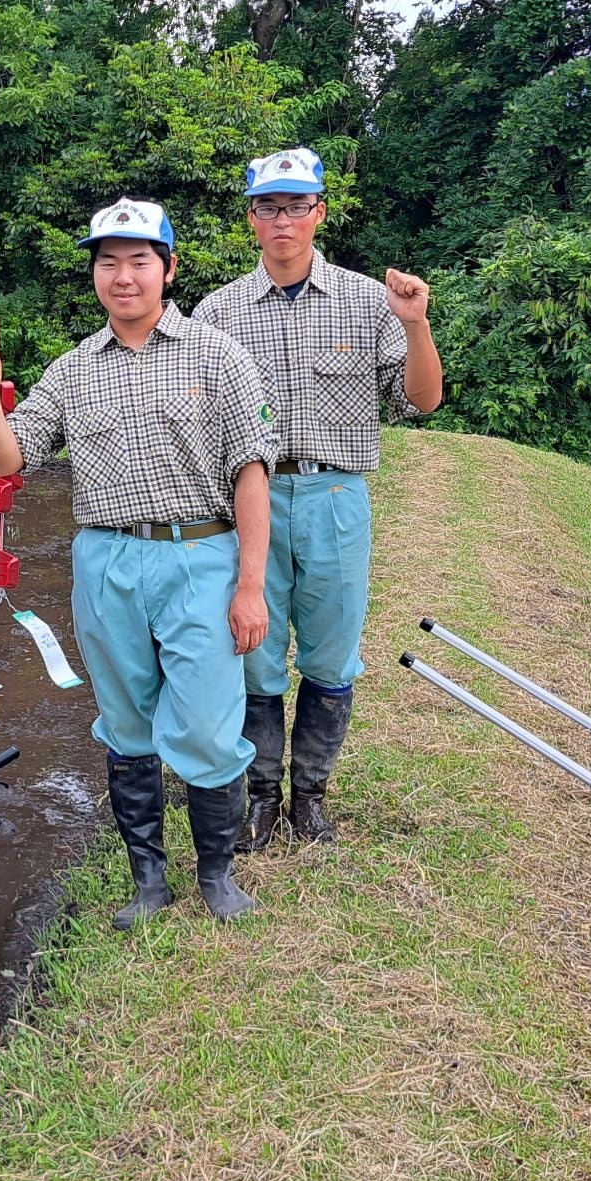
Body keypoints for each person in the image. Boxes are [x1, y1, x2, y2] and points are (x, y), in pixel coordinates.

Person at [0, 198, 276, 926]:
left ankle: (217, 876)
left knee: (206, 723)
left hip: (200, 555)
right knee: (126, 722)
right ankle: (149, 882)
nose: (123, 276)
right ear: (96, 274)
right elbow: (10, 457)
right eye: (109, 262)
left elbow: (251, 473)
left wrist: (251, 586)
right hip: (105, 561)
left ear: (169, 269)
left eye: (139, 260)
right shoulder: (74, 369)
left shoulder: (217, 355)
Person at [193, 147, 443, 848]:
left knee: (332, 658)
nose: (283, 220)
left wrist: (416, 323)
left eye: (296, 206)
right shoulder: (217, 313)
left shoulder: (369, 301)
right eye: (269, 207)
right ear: (251, 217)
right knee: (253, 651)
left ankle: (310, 795)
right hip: (251, 499)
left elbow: (422, 401)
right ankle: (262, 797)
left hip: (337, 496)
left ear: (319, 213)